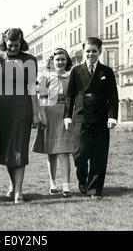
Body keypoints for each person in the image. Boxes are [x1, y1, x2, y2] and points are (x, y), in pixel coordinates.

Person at [64, 37, 118, 199]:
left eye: (94, 51)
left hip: (100, 119)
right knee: (80, 154)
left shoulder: (106, 72)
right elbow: (70, 96)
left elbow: (113, 96)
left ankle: (94, 189)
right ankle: (82, 178)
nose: (91, 54)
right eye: (88, 51)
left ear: (100, 52)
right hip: (80, 118)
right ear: (83, 52)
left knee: (98, 155)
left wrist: (112, 116)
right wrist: (67, 116)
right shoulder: (76, 71)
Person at [0, 28, 40, 204]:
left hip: (23, 108)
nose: (12, 48)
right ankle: (13, 185)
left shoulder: (30, 60)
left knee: (19, 149)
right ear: (4, 42)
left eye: (16, 45)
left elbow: (32, 88)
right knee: (8, 149)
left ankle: (18, 192)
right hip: (4, 108)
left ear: (22, 43)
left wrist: (36, 113)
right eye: (9, 45)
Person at [33, 48, 75, 197]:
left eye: (63, 59)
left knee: (64, 150)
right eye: (57, 59)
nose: (60, 62)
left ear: (67, 61)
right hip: (49, 113)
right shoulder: (45, 77)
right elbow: (41, 98)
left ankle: (66, 186)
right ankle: (52, 183)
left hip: (66, 114)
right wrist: (42, 114)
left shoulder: (71, 76)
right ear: (52, 61)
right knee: (51, 152)